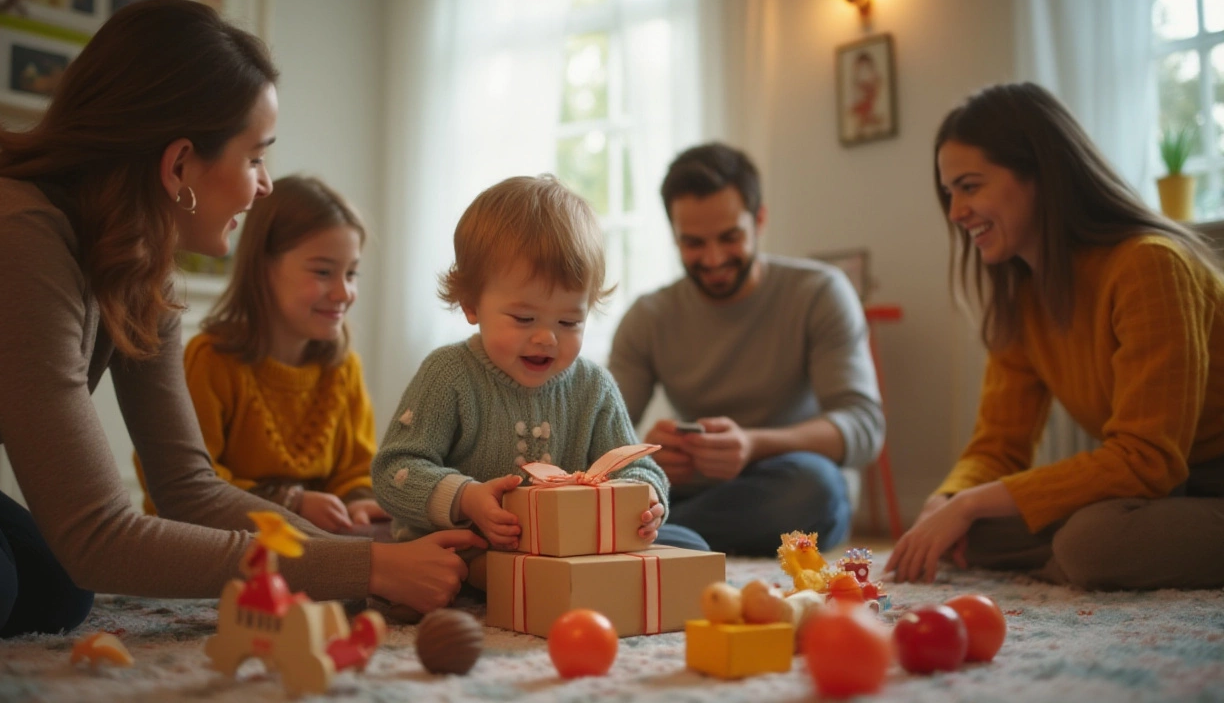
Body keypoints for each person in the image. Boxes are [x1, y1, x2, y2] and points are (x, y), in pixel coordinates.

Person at [0, 0, 481, 643]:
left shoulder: (142, 265)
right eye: (255, 156)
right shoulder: (16, 234)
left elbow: (188, 489)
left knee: (59, 594)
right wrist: (367, 565)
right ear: (178, 167)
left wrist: (360, 565)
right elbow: (97, 535)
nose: (265, 186)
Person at [885, 82, 1224, 590]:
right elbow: (998, 446)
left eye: (970, 186)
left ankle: (1081, 561)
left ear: (1041, 176)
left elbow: (1146, 461)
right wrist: (949, 501)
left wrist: (973, 502)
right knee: (968, 531)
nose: (955, 213)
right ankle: (1083, 559)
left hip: (1201, 482)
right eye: (949, 192)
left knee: (1092, 543)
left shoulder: (1150, 265)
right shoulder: (1023, 299)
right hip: (1162, 497)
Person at [371, 175, 708, 553]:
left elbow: (634, 464)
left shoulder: (593, 386)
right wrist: (467, 498)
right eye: (523, 319)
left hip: (565, 549)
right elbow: (393, 471)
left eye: (569, 322)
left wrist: (645, 499)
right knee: (450, 573)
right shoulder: (449, 374)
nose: (547, 338)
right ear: (470, 303)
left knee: (690, 543)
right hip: (465, 547)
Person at [608, 143, 885, 555]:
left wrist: (753, 444)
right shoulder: (648, 317)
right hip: (694, 491)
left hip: (789, 481)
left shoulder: (820, 292)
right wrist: (648, 456)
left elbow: (864, 427)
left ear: (760, 219)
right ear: (674, 236)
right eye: (694, 243)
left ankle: (660, 535)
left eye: (730, 237)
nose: (714, 258)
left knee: (817, 490)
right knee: (631, 493)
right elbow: (599, 435)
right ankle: (668, 532)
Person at [132, 175, 390, 534]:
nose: (344, 291)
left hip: (310, 547)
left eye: (351, 273)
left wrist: (358, 500)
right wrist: (292, 503)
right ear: (264, 267)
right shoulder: (212, 360)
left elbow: (356, 469)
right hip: (211, 543)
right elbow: (184, 483)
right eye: (323, 272)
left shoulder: (343, 368)